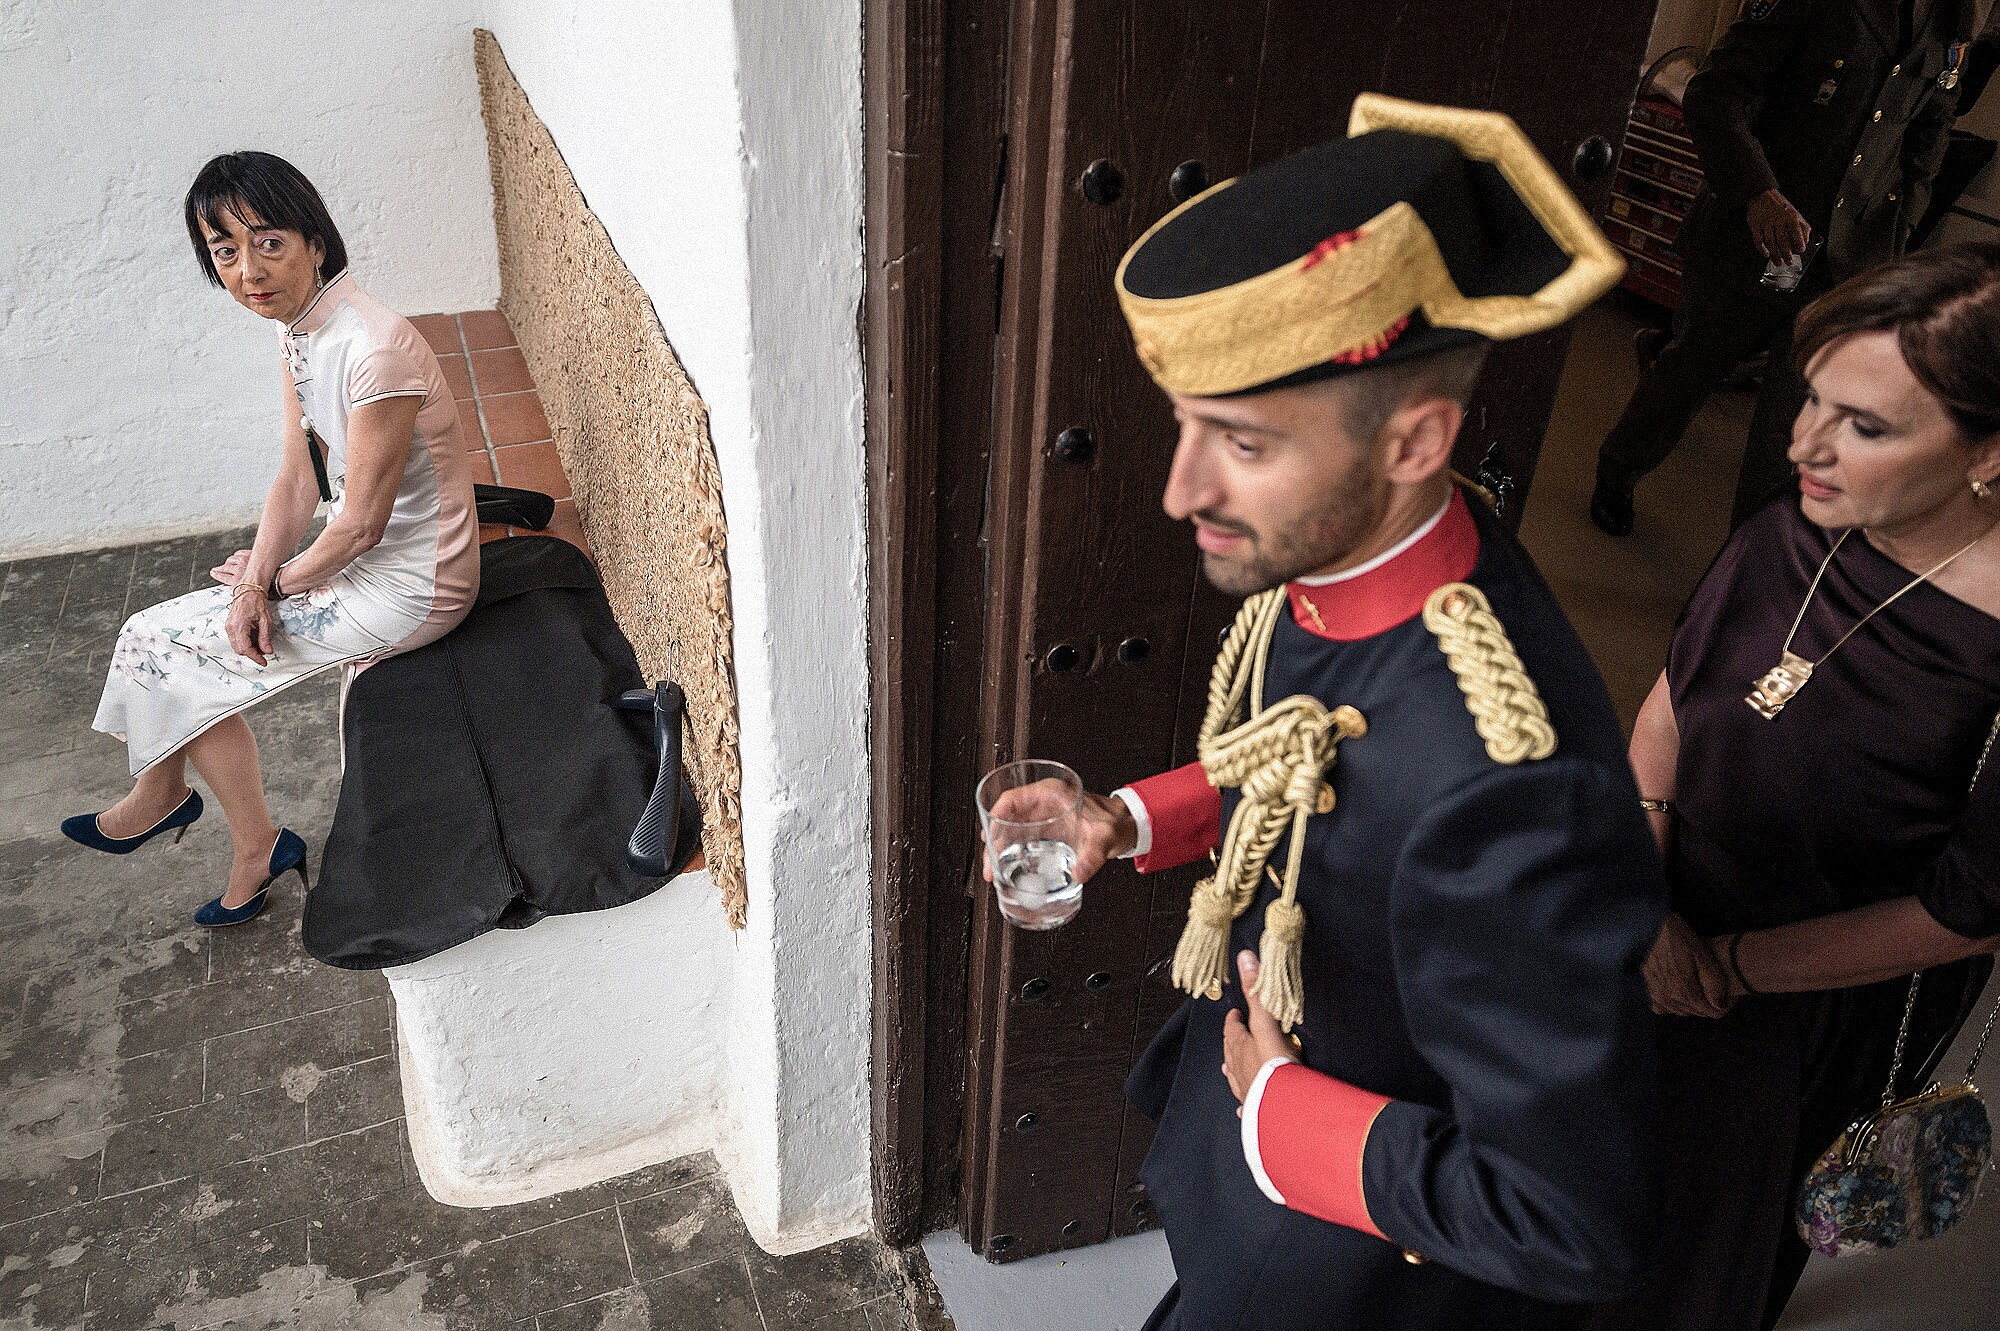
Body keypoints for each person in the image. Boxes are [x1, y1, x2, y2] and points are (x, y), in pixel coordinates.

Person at [989, 95, 1666, 1329]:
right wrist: (1125, 819)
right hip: (1249, 1145)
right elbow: (1304, 768)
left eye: (1240, 442)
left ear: (1414, 438)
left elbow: (1575, 1219)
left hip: (1352, 1265)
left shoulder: (1507, 790)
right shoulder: (1350, 565)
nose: (1178, 487)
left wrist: (1282, 1113)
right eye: (1187, 424)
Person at [1587, 242, 2000, 1330]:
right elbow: (1672, 700)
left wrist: (1716, 964)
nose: (1800, 443)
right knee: (1569, 1188)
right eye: (1809, 397)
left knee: (1690, 1254)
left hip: (1804, 1005)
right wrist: (1645, 897)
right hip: (1650, 910)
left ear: (1988, 454)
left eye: (1862, 425)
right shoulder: (1798, 518)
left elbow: (1963, 914)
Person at [64, 152, 479, 927]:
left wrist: (276, 582)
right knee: (161, 638)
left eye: (269, 243)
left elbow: (362, 524)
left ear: (315, 242)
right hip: (356, 561)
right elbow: (297, 478)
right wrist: (259, 573)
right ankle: (237, 833)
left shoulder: (373, 350)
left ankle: (181, 804)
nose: (248, 270)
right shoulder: (301, 331)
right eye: (225, 252)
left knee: (164, 642)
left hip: (414, 585)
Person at [1590, 0, 1979, 537]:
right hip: (1755, 234)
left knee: (1792, 415)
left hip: (1849, 256)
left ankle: (1747, 557)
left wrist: (1900, 226)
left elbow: (1930, 134)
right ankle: (1619, 468)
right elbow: (1715, 94)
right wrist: (1757, 192)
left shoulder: (1953, 20)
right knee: (1694, 367)